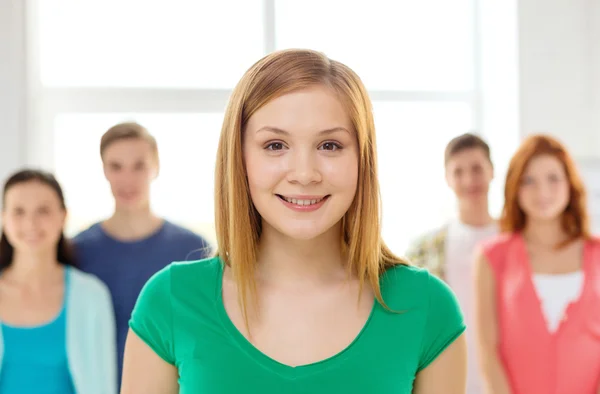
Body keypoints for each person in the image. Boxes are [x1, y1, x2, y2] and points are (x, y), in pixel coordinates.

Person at [120, 49, 467, 393]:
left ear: (363, 159)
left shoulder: (426, 307)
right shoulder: (170, 303)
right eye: (274, 145)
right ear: (239, 158)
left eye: (330, 145)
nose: (304, 174)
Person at [72, 122, 212, 384]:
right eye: (116, 166)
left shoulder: (193, 250)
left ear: (156, 167)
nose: (128, 179)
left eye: (139, 166)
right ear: (104, 170)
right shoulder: (78, 252)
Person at [474, 134, 600, 394]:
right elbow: (488, 351)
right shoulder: (491, 257)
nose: (542, 192)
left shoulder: (597, 252)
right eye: (528, 180)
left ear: (570, 184)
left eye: (553, 178)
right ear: (514, 188)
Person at [0, 169, 116, 394]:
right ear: (4, 218)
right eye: (18, 211)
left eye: (43, 211)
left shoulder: (92, 295)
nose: (31, 223)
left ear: (63, 216)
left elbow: (103, 383)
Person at [405, 132, 497, 394]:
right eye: (459, 172)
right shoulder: (424, 251)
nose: (469, 180)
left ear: (492, 171)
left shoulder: (516, 244)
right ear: (447, 178)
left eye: (477, 169)